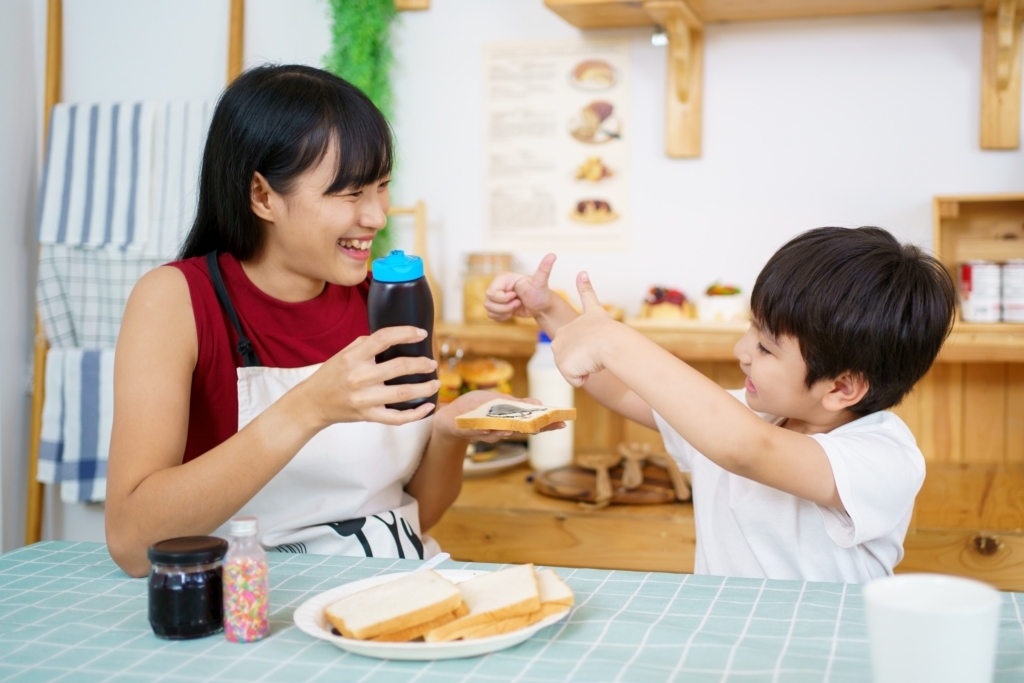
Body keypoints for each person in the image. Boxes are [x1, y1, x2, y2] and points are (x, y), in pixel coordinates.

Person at [106, 65, 559, 578]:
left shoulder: (388, 297)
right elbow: (130, 541)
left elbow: (408, 518)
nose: (377, 216)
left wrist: (450, 433)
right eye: (349, 194)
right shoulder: (175, 301)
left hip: (400, 585)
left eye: (382, 186)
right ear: (262, 196)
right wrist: (309, 408)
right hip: (258, 609)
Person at [486, 227, 956, 582]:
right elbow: (626, 389)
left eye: (767, 347)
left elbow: (748, 449)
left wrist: (615, 340)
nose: (741, 350)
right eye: (751, 327)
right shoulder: (741, 417)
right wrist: (552, 311)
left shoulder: (881, 458)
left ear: (841, 387)